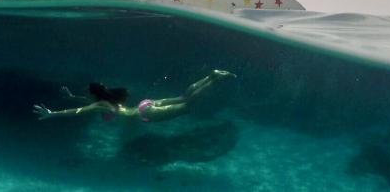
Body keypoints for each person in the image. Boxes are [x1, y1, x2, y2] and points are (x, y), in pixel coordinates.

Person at [33, 69, 237, 123]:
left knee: (188, 106)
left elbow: (78, 112)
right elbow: (84, 104)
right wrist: (71, 97)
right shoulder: (108, 100)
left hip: (145, 113)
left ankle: (215, 79)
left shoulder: (100, 106)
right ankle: (210, 77)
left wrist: (53, 113)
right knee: (184, 97)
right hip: (145, 104)